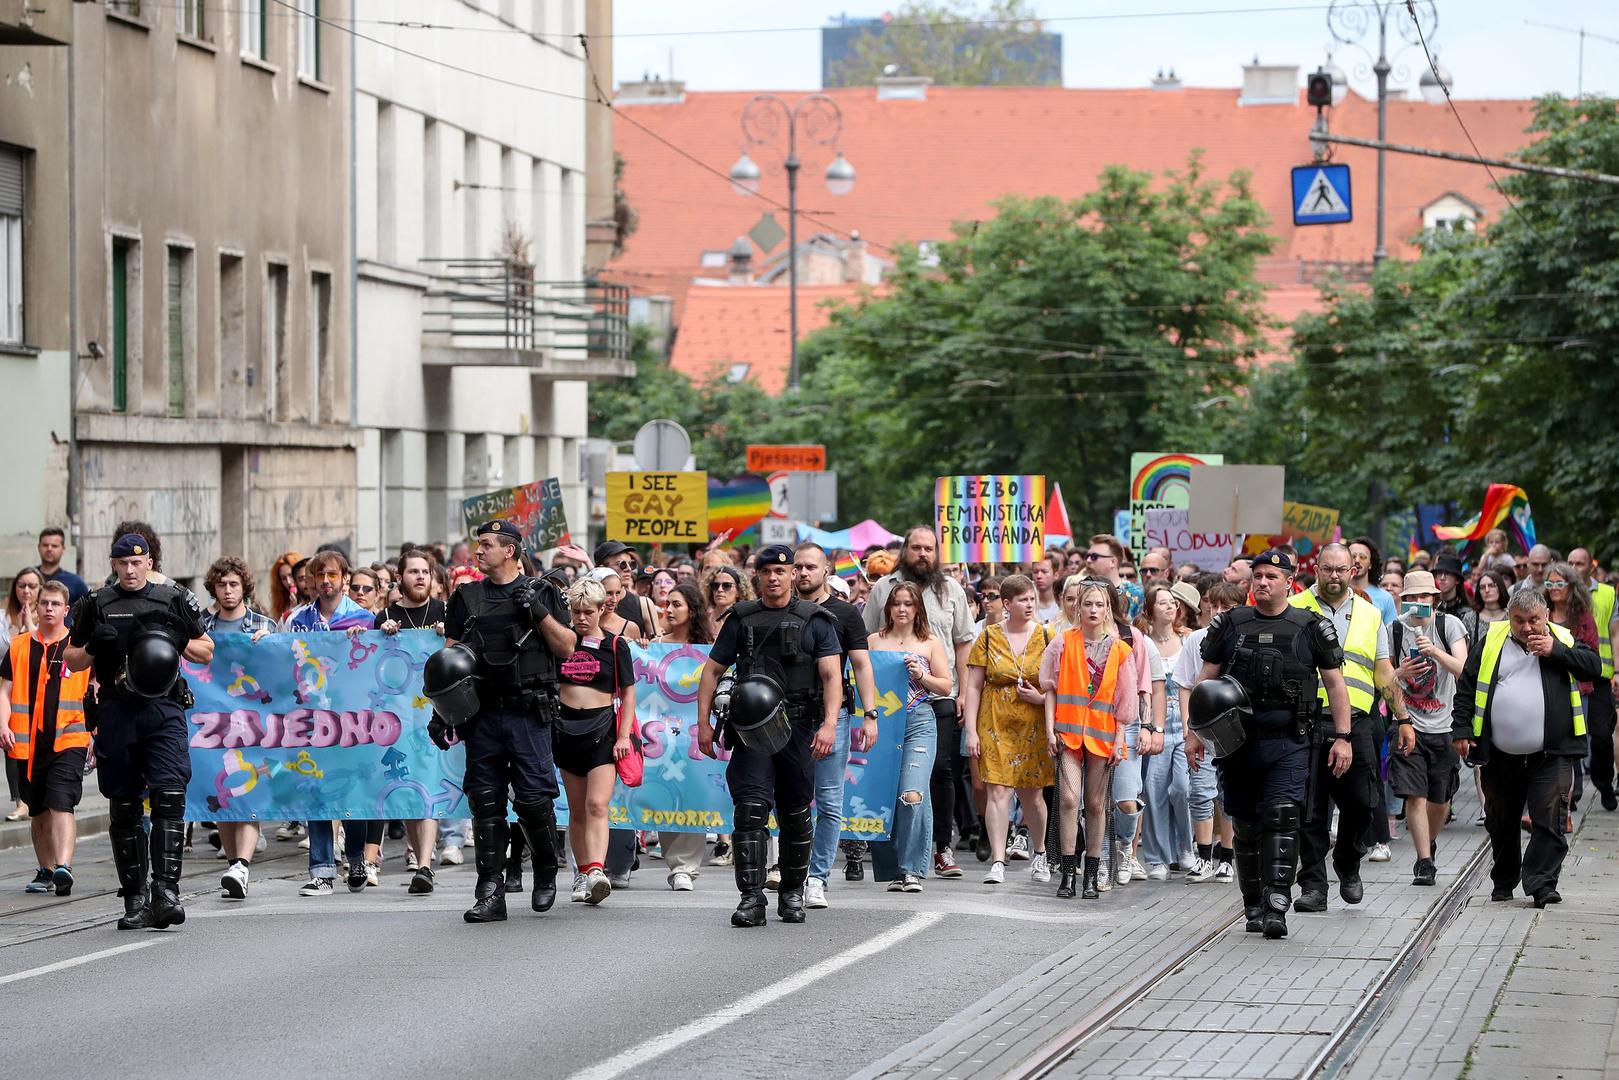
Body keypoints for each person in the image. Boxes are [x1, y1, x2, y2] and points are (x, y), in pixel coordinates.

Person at [1188, 549, 1352, 940]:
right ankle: (1253, 903)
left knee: (1282, 817)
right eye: (1257, 576)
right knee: (1245, 824)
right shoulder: (1230, 624)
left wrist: (1343, 738)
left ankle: (1278, 900)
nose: (1262, 582)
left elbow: (1335, 685)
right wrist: (1194, 733)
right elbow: (1205, 680)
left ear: (1289, 582)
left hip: (1289, 742)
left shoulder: (1311, 626)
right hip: (1238, 744)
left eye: (1271, 577)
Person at [63, 532, 213, 929]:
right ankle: (135, 898)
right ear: (113, 564)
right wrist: (94, 644)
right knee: (124, 805)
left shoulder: (172, 598)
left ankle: (166, 892)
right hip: (116, 710)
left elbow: (206, 649)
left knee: (169, 795)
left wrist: (177, 639)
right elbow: (71, 660)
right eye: (123, 563)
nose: (130, 570)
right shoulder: (96, 603)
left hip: (162, 708)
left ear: (148, 562)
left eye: (137, 562)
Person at [695, 544, 843, 927]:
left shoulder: (816, 620)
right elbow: (711, 672)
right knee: (750, 812)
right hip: (750, 731)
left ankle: (793, 893)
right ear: (757, 576)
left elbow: (831, 677)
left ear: (794, 574)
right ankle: (751, 898)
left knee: (795, 813)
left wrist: (829, 724)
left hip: (799, 727)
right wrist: (704, 724)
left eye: (782, 571)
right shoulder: (741, 619)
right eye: (767, 572)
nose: (774, 578)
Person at [436, 519, 574, 923]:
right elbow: (449, 658)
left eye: (486, 545)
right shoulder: (467, 596)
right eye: (478, 545)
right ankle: (490, 892)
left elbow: (566, 648)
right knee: (485, 802)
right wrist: (440, 712)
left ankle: (545, 867)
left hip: (528, 713)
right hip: (481, 714)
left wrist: (537, 610)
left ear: (510, 550)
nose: (477, 552)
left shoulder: (543, 590)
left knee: (533, 800)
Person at [1453, 588, 1601, 906]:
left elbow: (1593, 667)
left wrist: (1555, 650)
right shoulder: (1492, 640)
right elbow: (1467, 685)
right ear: (1510, 617)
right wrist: (1462, 729)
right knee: (1501, 819)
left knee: (1550, 816)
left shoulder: (1562, 637)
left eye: (1534, 619)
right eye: (1519, 621)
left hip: (1551, 751)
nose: (1528, 627)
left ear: (1546, 614)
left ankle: (1541, 883)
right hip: (1501, 753)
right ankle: (1505, 879)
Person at [1288, 543, 1409, 913]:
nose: (1336, 576)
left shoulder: (1371, 615)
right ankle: (1313, 885)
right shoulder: (1294, 610)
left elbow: (1383, 670)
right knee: (1310, 810)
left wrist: (1403, 718)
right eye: (1329, 570)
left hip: (1358, 722)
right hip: (1307, 723)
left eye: (1343, 570)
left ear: (1354, 569)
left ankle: (1347, 861)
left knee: (1362, 804)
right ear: (1317, 569)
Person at [864, 527, 977, 880]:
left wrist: (963, 693)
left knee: (940, 772)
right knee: (891, 780)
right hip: (885, 707)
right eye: (916, 548)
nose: (923, 554)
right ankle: (895, 854)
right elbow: (864, 646)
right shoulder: (883, 587)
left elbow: (963, 644)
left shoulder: (952, 589)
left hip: (937, 698)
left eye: (929, 548)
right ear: (904, 550)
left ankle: (941, 848)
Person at [1039, 579, 1137, 899]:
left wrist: (1120, 739)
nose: (1093, 610)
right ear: (1076, 608)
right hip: (1067, 732)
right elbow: (1050, 689)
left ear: (1108, 609)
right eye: (1087, 604)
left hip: (1102, 736)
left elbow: (1126, 700)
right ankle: (1068, 872)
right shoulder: (1062, 642)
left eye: (1099, 604)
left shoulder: (1121, 649)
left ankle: (1091, 875)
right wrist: (1049, 729)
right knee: (1068, 800)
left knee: (1095, 805)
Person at [792, 543, 877, 910]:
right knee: (789, 797)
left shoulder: (844, 614)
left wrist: (870, 715)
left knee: (828, 801)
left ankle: (817, 877)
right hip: (788, 717)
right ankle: (793, 869)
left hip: (834, 717)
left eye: (811, 566)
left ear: (826, 571)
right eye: (798, 567)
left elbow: (860, 664)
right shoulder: (784, 609)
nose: (802, 573)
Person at [962, 574, 1053, 885]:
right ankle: (998, 860)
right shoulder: (987, 637)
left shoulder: (1046, 636)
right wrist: (971, 731)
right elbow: (973, 686)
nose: (1029, 604)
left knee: (1032, 796)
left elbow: (1057, 686)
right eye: (1022, 600)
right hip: (995, 720)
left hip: (1034, 722)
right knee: (997, 792)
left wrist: (1041, 699)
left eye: (1032, 599)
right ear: (1007, 604)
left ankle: (1040, 853)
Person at [2, 582, 91, 896]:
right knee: (37, 809)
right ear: (36, 608)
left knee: (61, 802)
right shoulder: (18, 646)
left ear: (66, 610)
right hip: (26, 743)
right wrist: (3, 724)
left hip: (69, 737)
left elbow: (96, 687)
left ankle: (63, 866)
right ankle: (46, 870)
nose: (49, 609)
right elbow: (5, 690)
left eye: (55, 604)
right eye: (44, 603)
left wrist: (97, 732)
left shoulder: (80, 647)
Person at [556, 576, 636, 905]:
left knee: (597, 805)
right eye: (576, 612)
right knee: (576, 809)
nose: (582, 618)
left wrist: (623, 735)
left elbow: (628, 692)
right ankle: (581, 871)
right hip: (566, 729)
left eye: (588, 611)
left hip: (602, 730)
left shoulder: (616, 645)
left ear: (602, 609)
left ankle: (596, 871)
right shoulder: (563, 642)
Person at [867, 582, 951, 893]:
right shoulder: (873, 642)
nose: (902, 609)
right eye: (896, 603)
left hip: (919, 721)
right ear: (888, 608)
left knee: (912, 794)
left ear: (918, 610)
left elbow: (945, 687)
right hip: (883, 723)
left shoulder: (930, 643)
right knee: (887, 796)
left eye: (908, 604)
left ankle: (912, 869)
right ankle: (895, 869)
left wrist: (921, 675)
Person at [199, 557, 275, 899]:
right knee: (222, 798)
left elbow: (282, 671)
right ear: (213, 588)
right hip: (212, 725)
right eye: (221, 585)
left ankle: (242, 864)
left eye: (233, 584)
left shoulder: (263, 624)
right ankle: (234, 864)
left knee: (249, 795)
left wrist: (270, 645)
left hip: (253, 725)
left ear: (244, 587)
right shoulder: (201, 623)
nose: (228, 591)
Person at [1388, 570, 1469, 886]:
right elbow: (1384, 680)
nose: (1419, 603)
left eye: (1425, 597)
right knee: (1415, 795)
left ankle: (1429, 842)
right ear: (1405, 600)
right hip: (1407, 724)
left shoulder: (1449, 625)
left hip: (1446, 725)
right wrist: (1400, 672)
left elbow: (1464, 670)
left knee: (1440, 800)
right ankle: (1424, 861)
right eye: (1413, 598)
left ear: (1435, 599)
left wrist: (1435, 651)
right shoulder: (1394, 628)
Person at [375, 547, 445, 893]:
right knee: (409, 787)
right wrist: (379, 634)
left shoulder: (445, 613)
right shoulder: (386, 617)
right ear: (399, 577)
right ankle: (420, 858)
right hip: (398, 717)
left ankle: (425, 865)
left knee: (429, 785)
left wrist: (448, 634)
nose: (420, 576)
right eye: (413, 571)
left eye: (425, 571)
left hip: (434, 715)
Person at [1174, 581, 1247, 884]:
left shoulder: (1245, 639)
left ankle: (1227, 857)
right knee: (1200, 791)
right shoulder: (1196, 640)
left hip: (1233, 728)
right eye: (1213, 606)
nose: (1217, 612)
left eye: (1225, 607)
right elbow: (1186, 685)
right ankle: (1204, 855)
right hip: (1204, 727)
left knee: (1228, 794)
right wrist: (1189, 725)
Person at [652, 581, 713, 890]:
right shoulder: (654, 644)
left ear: (693, 610)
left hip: (695, 735)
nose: (669, 610)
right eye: (667, 604)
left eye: (676, 604)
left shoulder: (709, 649)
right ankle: (673, 859)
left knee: (694, 795)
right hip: (662, 737)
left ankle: (685, 867)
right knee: (666, 794)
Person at [1137, 583, 1197, 880]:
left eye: (1173, 602)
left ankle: (1186, 847)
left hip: (1184, 723)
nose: (1170, 607)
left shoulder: (1188, 640)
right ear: (1149, 611)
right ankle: (1157, 857)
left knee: (1183, 789)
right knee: (1153, 791)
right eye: (1162, 603)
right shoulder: (1143, 643)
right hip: (1156, 722)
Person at [1568, 548, 1617, 812]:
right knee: (1569, 732)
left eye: (1580, 563)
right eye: (1571, 563)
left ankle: (1604, 783)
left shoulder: (1608, 594)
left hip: (1599, 675)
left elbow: (1615, 633)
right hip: (1569, 675)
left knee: (1600, 735)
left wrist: (1617, 671)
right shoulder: (1560, 594)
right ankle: (1573, 789)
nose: (1575, 567)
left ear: (1591, 567)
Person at [3, 567, 42, 822]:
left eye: (31, 586)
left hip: (36, 691)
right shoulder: (3, 618)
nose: (26, 591)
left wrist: (30, 627)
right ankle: (19, 801)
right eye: (21, 586)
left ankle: (33, 797)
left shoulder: (48, 616)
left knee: (34, 746)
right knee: (9, 744)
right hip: (8, 689)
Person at [285, 550, 374, 632]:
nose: (325, 580)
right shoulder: (297, 620)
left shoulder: (365, 619)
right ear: (314, 579)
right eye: (320, 575)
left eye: (332, 575)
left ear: (344, 578)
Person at [1085, 534, 1143, 621]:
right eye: (1087, 556)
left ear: (1112, 562)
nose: (1088, 560)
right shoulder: (1082, 588)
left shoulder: (1135, 593)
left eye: (1094, 557)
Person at [1348, 537, 1398, 626]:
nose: (1357, 560)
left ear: (1371, 564)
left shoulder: (1385, 598)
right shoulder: (1336, 592)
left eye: (1363, 557)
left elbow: (1391, 636)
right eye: (1353, 556)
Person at [1431, 553, 1481, 644]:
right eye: (1439, 573)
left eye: (1447, 573)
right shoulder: (1431, 609)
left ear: (1457, 580)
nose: (1442, 578)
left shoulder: (1468, 614)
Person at [35, 527, 88, 611]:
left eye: (54, 546)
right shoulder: (28, 579)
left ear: (63, 549)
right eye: (45, 545)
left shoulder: (76, 582)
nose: (49, 549)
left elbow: (88, 613)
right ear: (38, 547)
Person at [702, 564, 750, 630]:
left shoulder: (747, 620)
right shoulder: (702, 619)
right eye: (715, 585)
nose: (720, 589)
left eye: (727, 585)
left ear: (738, 591)